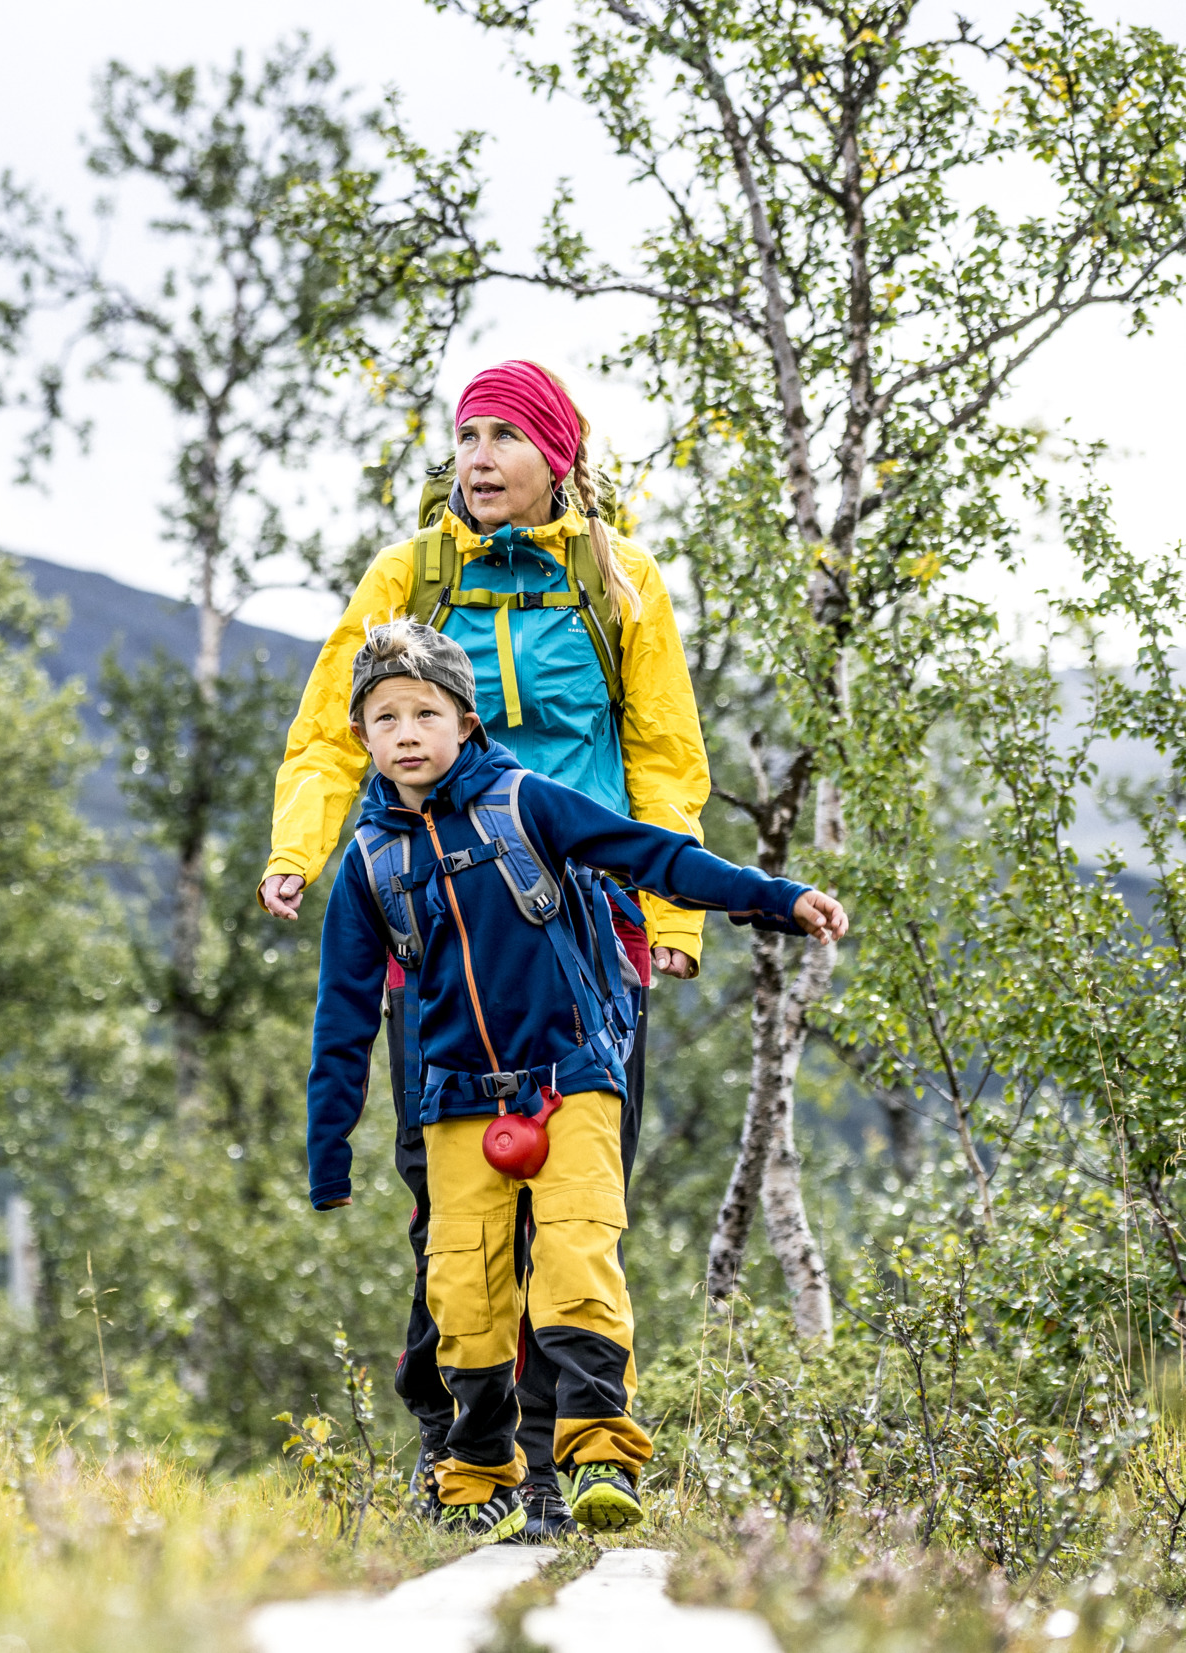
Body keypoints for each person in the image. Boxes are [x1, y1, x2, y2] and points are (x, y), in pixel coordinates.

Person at [259, 361, 711, 1537]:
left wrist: (670, 918)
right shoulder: (406, 577)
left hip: (588, 932)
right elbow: (326, 736)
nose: (477, 455)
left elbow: (660, 754)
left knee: (573, 1197)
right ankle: (458, 1448)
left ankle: (571, 1458)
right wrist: (301, 854)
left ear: (553, 452)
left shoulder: (615, 581)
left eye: (504, 434)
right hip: (437, 929)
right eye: (465, 434)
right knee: (445, 1204)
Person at [309, 621, 846, 1540]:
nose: (405, 732)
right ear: (361, 734)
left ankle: (600, 1454)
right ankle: (478, 1473)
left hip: (571, 1081)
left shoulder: (529, 803)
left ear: (465, 720)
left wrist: (776, 898)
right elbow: (344, 1017)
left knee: (575, 1263)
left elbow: (656, 855)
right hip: (453, 1102)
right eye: (384, 716)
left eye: (425, 712)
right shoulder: (368, 864)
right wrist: (329, 1152)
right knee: (466, 1301)